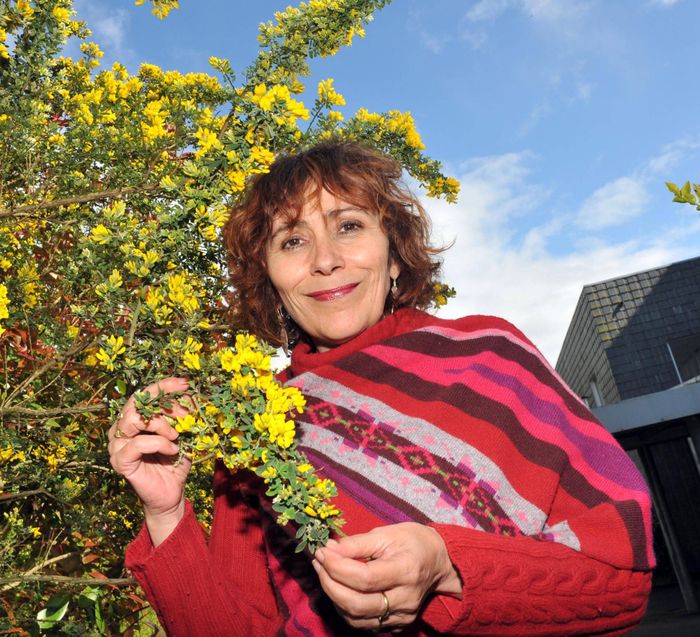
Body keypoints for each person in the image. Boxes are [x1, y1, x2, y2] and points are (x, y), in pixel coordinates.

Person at [108, 141, 654, 636]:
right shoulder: (254, 426)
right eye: (293, 240)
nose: (325, 260)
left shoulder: (491, 358)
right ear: (270, 278)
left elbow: (622, 584)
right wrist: (166, 513)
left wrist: (449, 565)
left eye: (348, 226)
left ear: (394, 255)